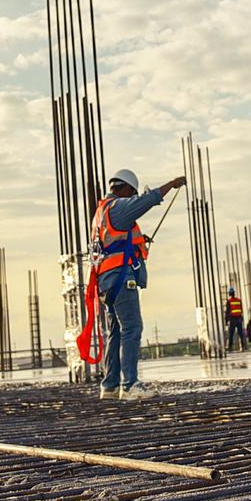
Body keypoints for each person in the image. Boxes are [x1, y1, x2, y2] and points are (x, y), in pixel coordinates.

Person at [90, 168, 184, 401]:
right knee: (132, 328)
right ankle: (130, 384)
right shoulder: (119, 207)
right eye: (130, 194)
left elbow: (114, 241)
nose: (131, 198)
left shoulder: (101, 212)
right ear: (125, 189)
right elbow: (146, 201)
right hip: (120, 278)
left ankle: (110, 386)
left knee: (116, 331)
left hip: (106, 281)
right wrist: (171, 183)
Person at [224, 287, 247, 351]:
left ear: (229, 294)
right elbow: (241, 310)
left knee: (231, 334)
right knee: (240, 333)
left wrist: (226, 321)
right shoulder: (239, 300)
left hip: (233, 319)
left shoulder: (229, 301)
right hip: (239, 319)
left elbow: (227, 312)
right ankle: (242, 346)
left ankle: (230, 347)